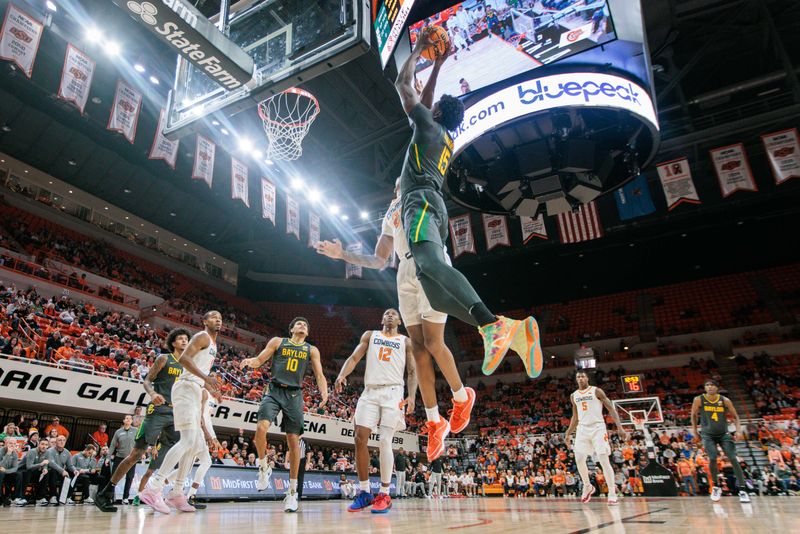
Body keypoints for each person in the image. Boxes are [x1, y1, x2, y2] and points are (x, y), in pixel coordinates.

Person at [394, 25, 542, 381]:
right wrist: (440, 64)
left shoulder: (429, 128)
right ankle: (510, 330)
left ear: (438, 114)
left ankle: (491, 325)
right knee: (436, 294)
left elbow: (402, 84)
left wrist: (418, 52)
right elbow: (425, 103)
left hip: (421, 204)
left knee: (428, 263)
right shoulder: (440, 134)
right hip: (434, 207)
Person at [316, 180, 475, 462]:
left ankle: (462, 398)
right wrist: (342, 255)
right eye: (400, 179)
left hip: (431, 261)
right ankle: (434, 421)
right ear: (394, 188)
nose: (405, 177)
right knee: (419, 349)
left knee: (434, 343)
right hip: (405, 270)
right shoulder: (391, 212)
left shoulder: (426, 195)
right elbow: (379, 260)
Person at [95, 328, 189, 512]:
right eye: (181, 339)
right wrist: (153, 393)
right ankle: (105, 492)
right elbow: (147, 381)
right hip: (158, 410)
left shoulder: (188, 365)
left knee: (182, 450)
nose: (185, 341)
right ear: (173, 343)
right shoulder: (164, 359)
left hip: (176, 413)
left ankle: (164, 492)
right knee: (136, 454)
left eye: (187, 339)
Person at [240, 317, 328, 512]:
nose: (303, 325)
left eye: (306, 324)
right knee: (261, 427)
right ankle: (263, 467)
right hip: (273, 390)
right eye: (299, 323)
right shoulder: (278, 341)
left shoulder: (311, 350)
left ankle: (292, 491)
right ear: (291, 329)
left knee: (293, 442)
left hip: (294, 394)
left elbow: (319, 375)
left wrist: (324, 392)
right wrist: (250, 362)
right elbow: (260, 359)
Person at [335, 309, 417, 514]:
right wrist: (342, 374)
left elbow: (412, 371)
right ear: (382, 319)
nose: (390, 315)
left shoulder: (405, 341)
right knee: (359, 438)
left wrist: (413, 395)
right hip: (370, 391)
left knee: (384, 440)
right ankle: (364, 492)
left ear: (399, 320)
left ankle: (384, 493)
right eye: (386, 313)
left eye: (394, 313)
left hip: (393, 392)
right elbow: (354, 357)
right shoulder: (370, 335)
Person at [139, 311, 222, 514]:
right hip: (185, 387)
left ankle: (176, 492)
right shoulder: (202, 336)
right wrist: (206, 378)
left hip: (194, 388)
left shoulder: (213, 344)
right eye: (213, 317)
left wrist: (210, 387)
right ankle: (153, 488)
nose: (218, 319)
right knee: (187, 441)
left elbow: (199, 370)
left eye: (220, 317)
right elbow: (184, 359)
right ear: (204, 321)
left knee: (193, 446)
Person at [564, 370, 629, 505]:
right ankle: (587, 486)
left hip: (597, 427)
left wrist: (620, 427)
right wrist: (568, 432)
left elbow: (611, 409)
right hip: (582, 428)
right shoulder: (574, 395)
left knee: (603, 459)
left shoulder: (596, 391)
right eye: (578, 377)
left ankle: (612, 492)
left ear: (587, 378)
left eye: (582, 376)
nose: (580, 378)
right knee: (579, 458)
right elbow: (575, 417)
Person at [691, 379, 750, 503]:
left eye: (712, 385)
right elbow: (693, 415)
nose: (710, 387)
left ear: (717, 388)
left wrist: (738, 430)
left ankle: (743, 490)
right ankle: (716, 486)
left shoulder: (724, 400)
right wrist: (695, 431)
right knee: (712, 458)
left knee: (733, 458)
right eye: (707, 385)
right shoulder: (698, 399)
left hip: (724, 433)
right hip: (707, 435)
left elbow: (735, 416)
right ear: (705, 388)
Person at [106, 414, 137, 505]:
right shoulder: (118, 432)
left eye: (130, 418)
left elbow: (140, 443)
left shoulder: (136, 431)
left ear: (131, 421)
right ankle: (110, 497)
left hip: (131, 458)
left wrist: (142, 453)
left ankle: (125, 498)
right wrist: (108, 457)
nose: (128, 420)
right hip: (119, 457)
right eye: (126, 418)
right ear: (123, 421)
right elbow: (112, 445)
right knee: (114, 477)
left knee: (130, 477)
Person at [45, 435, 75, 505]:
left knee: (70, 475)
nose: (62, 442)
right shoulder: (50, 451)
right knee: (53, 472)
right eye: (60, 440)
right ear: (56, 442)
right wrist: (62, 471)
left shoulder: (67, 452)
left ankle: (64, 498)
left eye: (63, 440)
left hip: (61, 472)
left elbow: (70, 465)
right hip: (50, 472)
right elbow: (51, 463)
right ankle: (53, 496)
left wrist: (75, 470)